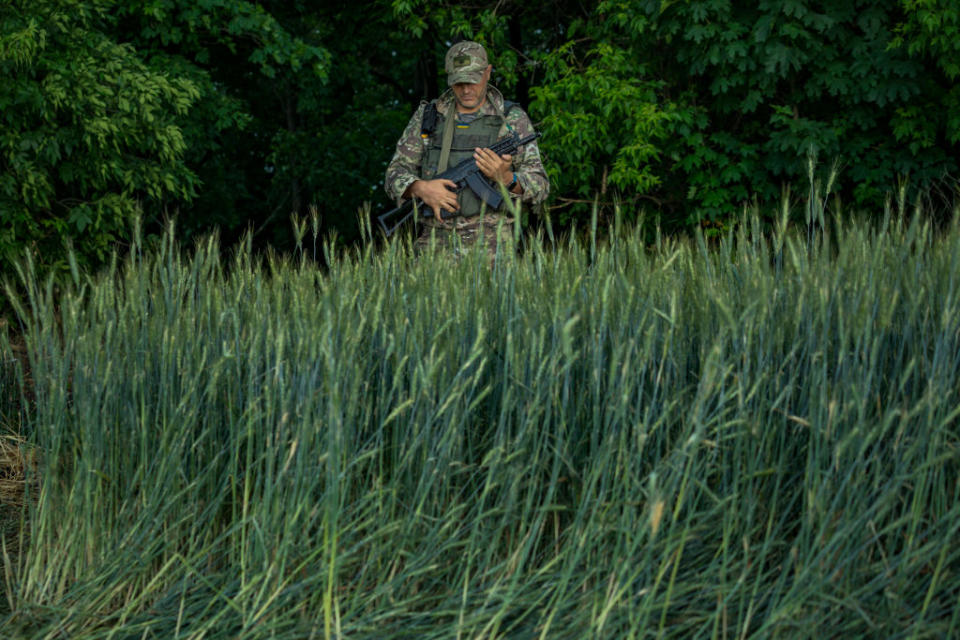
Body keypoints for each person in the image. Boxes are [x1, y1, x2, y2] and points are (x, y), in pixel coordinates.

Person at [384, 40, 549, 258]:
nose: (466, 89)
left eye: (473, 81)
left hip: (494, 248)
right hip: (435, 247)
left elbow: (541, 187)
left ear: (488, 73)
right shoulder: (429, 117)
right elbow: (394, 174)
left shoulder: (511, 119)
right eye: (459, 82)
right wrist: (420, 189)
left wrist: (508, 178)